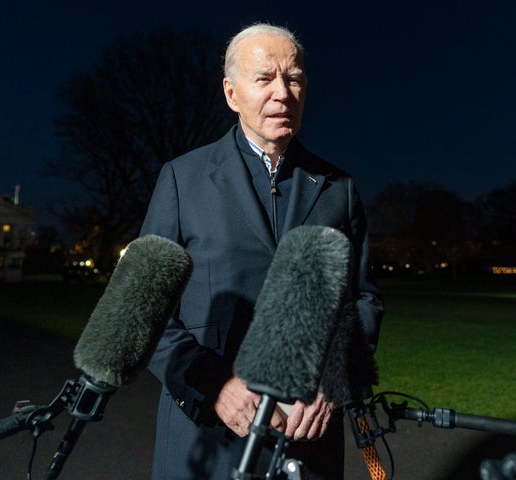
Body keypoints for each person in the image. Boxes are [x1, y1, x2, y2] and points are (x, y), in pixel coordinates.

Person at [140, 23, 384, 479]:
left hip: (308, 440)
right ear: (232, 94)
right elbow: (146, 311)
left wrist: (333, 380)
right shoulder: (182, 179)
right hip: (205, 440)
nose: (283, 92)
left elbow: (364, 300)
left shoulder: (338, 189)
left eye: (294, 79)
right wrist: (213, 385)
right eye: (264, 78)